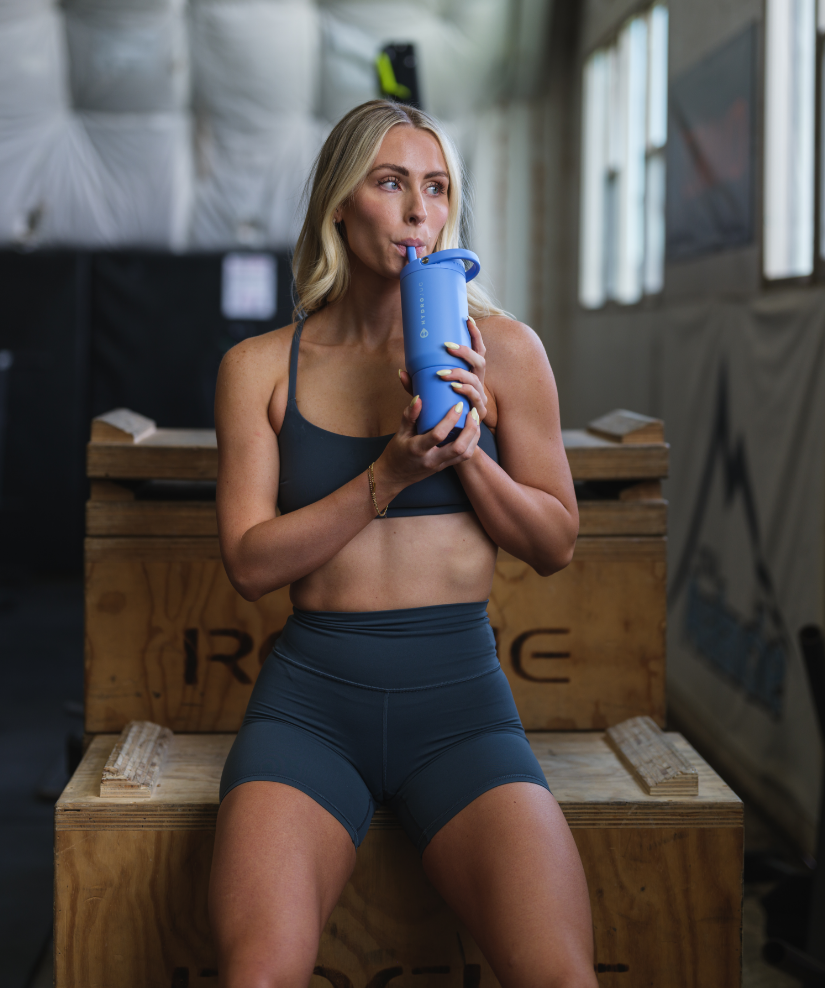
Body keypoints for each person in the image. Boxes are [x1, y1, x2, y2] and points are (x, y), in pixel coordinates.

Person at [210, 99, 597, 988]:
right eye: (391, 183)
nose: (420, 208)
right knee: (257, 976)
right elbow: (249, 564)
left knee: (559, 977)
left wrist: (467, 459)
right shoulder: (261, 368)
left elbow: (556, 544)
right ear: (341, 206)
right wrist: (387, 476)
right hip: (311, 707)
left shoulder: (504, 351)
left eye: (437, 187)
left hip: (461, 706)